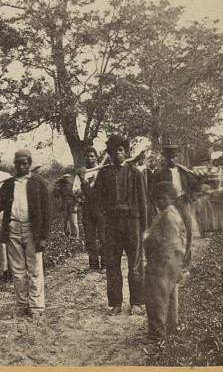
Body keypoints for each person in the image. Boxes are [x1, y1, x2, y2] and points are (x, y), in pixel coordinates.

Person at [80, 134, 149, 316]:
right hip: (111, 223)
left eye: (120, 150)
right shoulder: (104, 173)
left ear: (126, 152)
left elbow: (143, 203)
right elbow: (95, 199)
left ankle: (136, 302)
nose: (117, 154)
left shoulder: (136, 173)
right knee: (112, 263)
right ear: (109, 153)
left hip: (132, 222)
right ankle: (116, 303)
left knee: (135, 263)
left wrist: (145, 229)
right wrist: (83, 181)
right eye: (114, 151)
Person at [0, 149, 53, 318]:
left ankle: (36, 306)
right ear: (14, 165)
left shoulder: (39, 182)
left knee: (35, 269)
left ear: (29, 163)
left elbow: (48, 211)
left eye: (24, 163)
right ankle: (22, 304)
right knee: (18, 271)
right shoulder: (8, 184)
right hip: (13, 229)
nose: (21, 166)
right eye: (18, 163)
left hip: (32, 231)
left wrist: (43, 237)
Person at [143, 181, 190, 349]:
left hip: (163, 261)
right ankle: (172, 327)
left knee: (157, 297)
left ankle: (156, 334)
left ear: (171, 199)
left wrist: (159, 261)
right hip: (170, 260)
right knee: (170, 295)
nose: (159, 201)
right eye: (158, 198)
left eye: (164, 198)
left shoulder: (169, 216)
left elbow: (170, 242)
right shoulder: (168, 213)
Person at [148, 144, 202, 256]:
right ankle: (172, 258)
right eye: (168, 157)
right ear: (164, 158)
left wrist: (200, 179)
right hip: (168, 204)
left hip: (183, 201)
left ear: (177, 158)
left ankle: (185, 257)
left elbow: (196, 188)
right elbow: (153, 193)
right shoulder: (159, 174)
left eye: (174, 157)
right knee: (171, 230)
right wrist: (158, 206)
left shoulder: (184, 172)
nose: (171, 160)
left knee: (187, 229)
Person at [76, 146, 105, 271]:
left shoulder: (101, 171)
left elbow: (103, 190)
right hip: (87, 207)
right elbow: (77, 191)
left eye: (92, 156)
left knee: (104, 236)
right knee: (90, 237)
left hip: (100, 207)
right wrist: (85, 184)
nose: (90, 158)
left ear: (96, 157)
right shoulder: (81, 173)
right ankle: (93, 265)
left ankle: (105, 264)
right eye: (87, 156)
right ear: (84, 158)